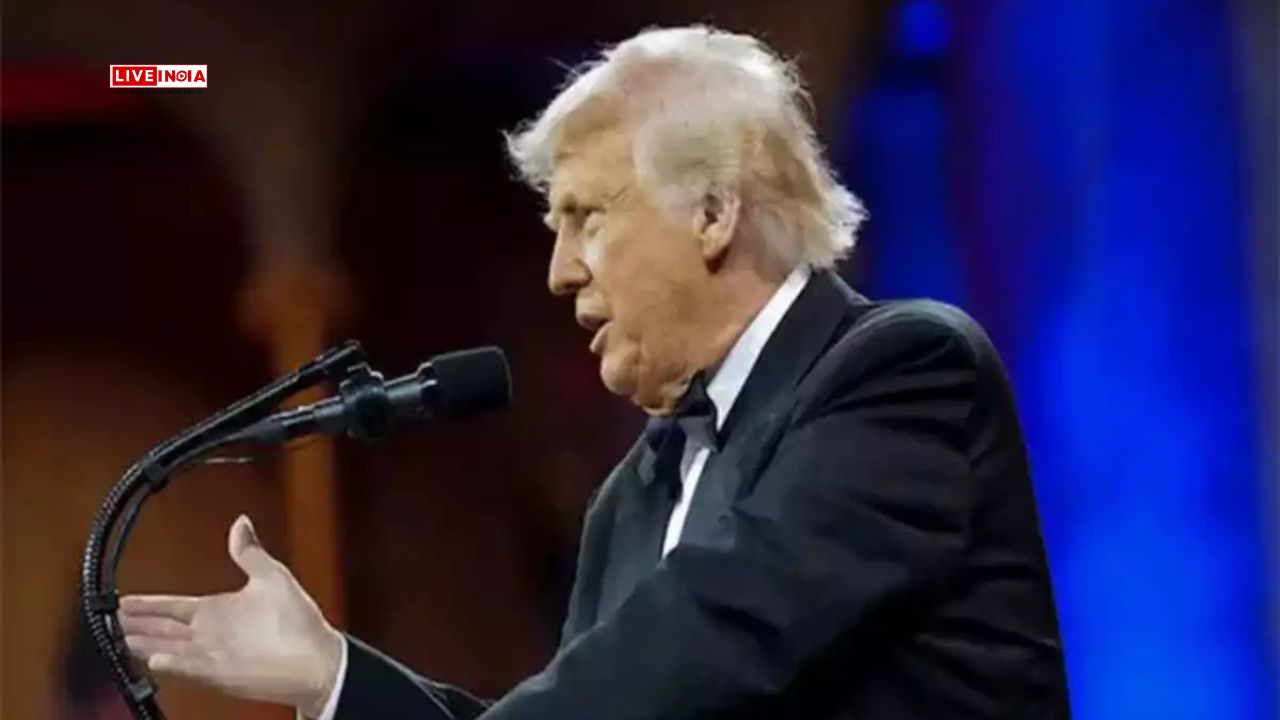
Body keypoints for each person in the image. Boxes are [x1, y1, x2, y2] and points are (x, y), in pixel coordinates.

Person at [119, 25, 1070, 719]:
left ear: (712, 211)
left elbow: (703, 648)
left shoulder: (901, 373)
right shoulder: (636, 495)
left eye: (588, 217)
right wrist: (331, 677)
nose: (560, 270)